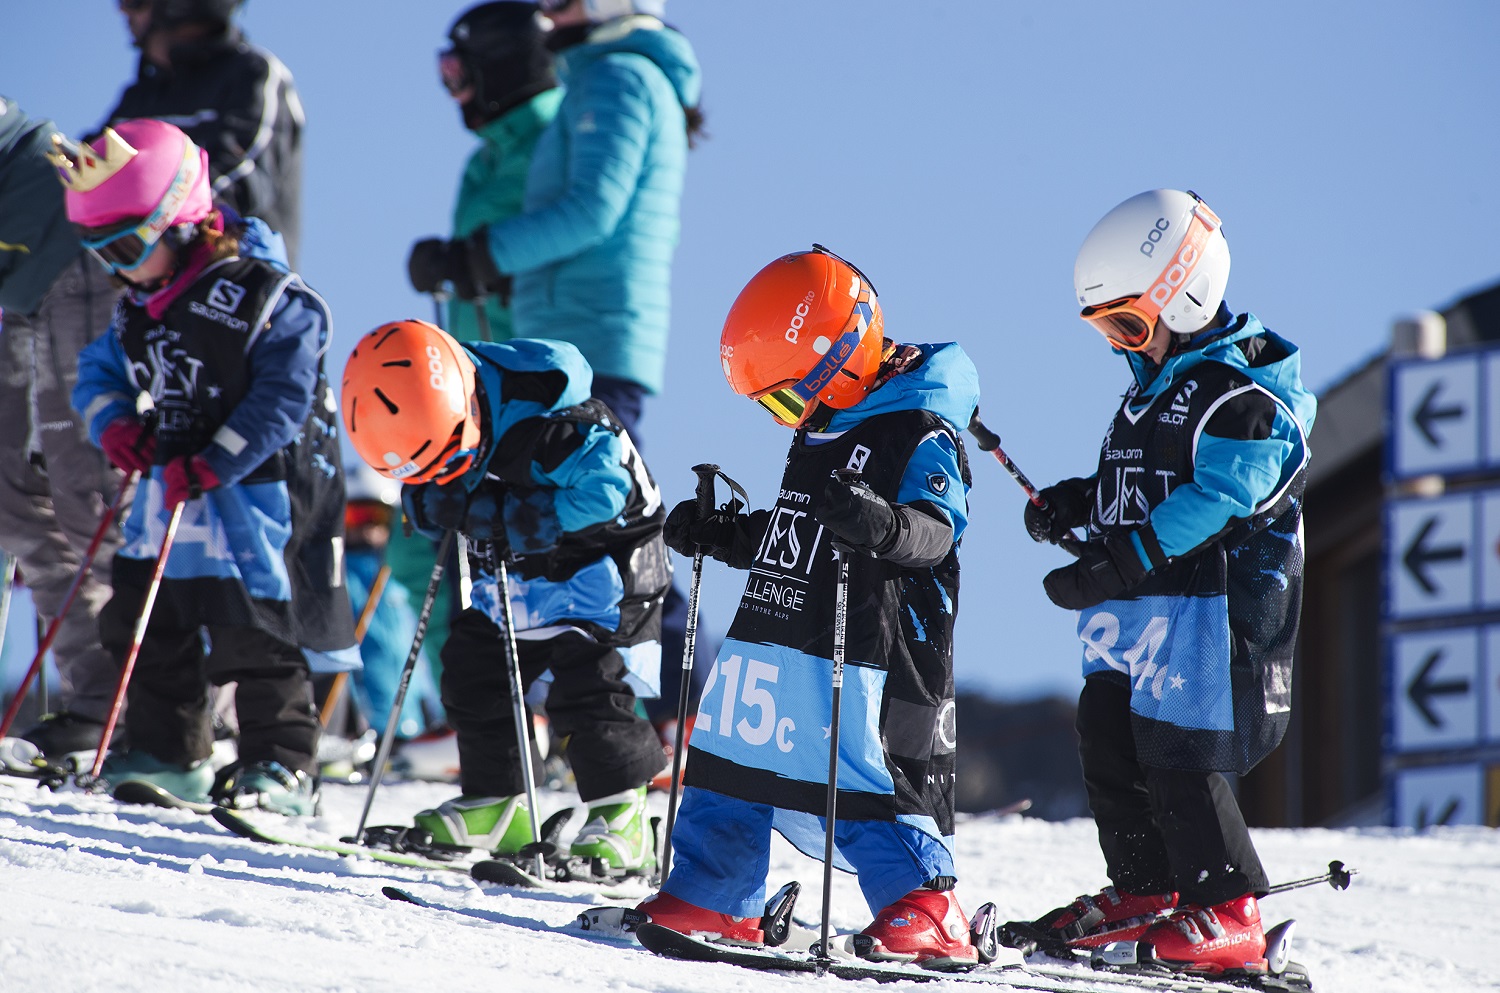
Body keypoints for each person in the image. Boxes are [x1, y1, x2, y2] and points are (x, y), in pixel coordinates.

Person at [640, 247, 982, 968]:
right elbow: (804, 532)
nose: (786, 417)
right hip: (783, 638)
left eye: (787, 398)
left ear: (840, 358)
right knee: (728, 755)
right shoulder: (828, 424)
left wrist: (881, 523)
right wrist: (728, 534)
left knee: (858, 775)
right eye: (773, 406)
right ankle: (714, 892)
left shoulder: (918, 429)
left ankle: (926, 905)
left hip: (870, 648)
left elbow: (937, 529)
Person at [1013, 190, 1316, 977]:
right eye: (1108, 329)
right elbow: (1147, 480)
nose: (1121, 345)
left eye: (1130, 325)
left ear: (1185, 293)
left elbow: (1219, 496)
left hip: (1212, 613)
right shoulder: (1151, 390)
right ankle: (1146, 887)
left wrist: (1123, 559)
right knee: (1107, 728)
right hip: (1149, 612)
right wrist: (1083, 499)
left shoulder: (1236, 395)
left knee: (1179, 752)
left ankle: (1229, 907)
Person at [57, 119, 357, 814]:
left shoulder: (264, 295)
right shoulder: (139, 308)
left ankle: (280, 768)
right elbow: (96, 370)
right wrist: (114, 421)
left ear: (181, 220)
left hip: (257, 490)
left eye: (127, 246)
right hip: (173, 487)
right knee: (146, 613)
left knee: (256, 625)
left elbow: (287, 392)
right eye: (99, 253)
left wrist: (220, 458)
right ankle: (170, 753)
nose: (118, 269)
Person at [341, 319, 669, 878]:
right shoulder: (437, 416)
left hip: (605, 573)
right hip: (522, 576)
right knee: (473, 670)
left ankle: (626, 819)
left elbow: (608, 492)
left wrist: (514, 517)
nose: (442, 474)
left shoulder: (556, 420)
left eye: (446, 460)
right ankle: (500, 804)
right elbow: (429, 476)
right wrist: (426, 506)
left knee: (588, 684)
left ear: (465, 410)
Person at [396, 0, 564, 709]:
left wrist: (482, 264)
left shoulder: (554, 141)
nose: (456, 91)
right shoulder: (485, 159)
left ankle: (571, 711)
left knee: (556, 545)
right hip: (465, 385)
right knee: (422, 540)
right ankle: (481, 717)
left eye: (462, 74)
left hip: (527, 386)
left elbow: (560, 249)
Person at [0, 97, 128, 775]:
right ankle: (99, 698)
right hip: (22, 298)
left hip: (79, 272)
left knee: (92, 493)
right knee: (13, 501)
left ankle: (169, 707)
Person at [105, 0, 304, 264]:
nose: (123, 11)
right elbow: (87, 172)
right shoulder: (141, 97)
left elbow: (243, 172)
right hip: (138, 284)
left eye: (136, 3)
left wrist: (161, 222)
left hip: (226, 284)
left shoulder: (250, 74)